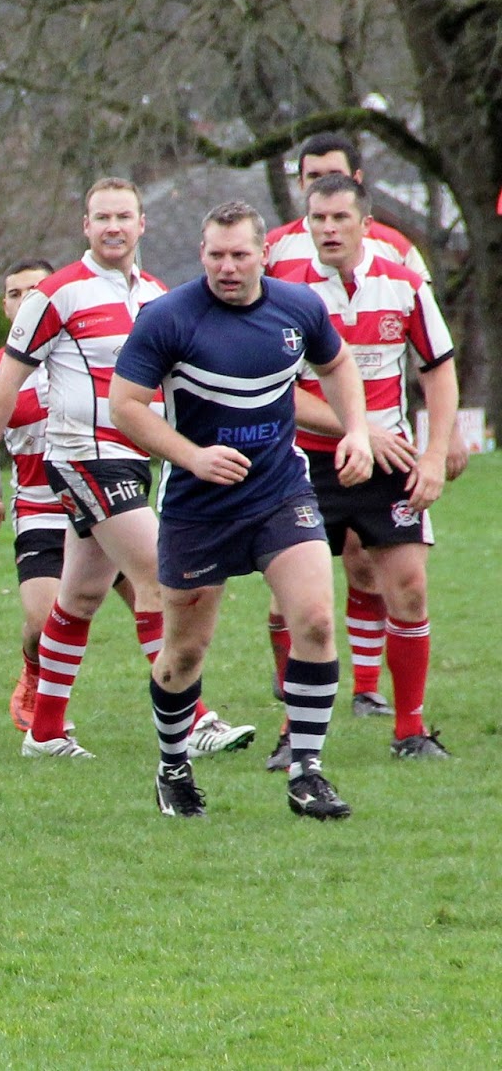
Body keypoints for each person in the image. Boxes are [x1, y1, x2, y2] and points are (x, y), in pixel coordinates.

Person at [0, 177, 252, 759]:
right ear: (86, 227)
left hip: (136, 463)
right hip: (84, 458)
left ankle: (44, 734)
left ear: (142, 225)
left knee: (82, 597)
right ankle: (190, 720)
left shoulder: (157, 295)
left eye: (124, 217)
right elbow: (3, 384)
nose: (113, 227)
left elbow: (180, 385)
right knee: (161, 578)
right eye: (102, 218)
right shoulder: (58, 293)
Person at [110, 200, 373, 819]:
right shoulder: (167, 318)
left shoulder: (299, 307)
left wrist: (355, 430)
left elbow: (337, 366)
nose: (228, 268)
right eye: (216, 255)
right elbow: (125, 405)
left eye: (240, 255)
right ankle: (174, 767)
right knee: (184, 655)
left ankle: (307, 771)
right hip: (198, 509)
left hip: (281, 492)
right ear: (201, 254)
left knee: (313, 620)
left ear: (263, 254)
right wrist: (193, 457)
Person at [262, 132, 468, 718]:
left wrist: (431, 453)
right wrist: (358, 428)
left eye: (339, 217)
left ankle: (409, 728)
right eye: (317, 217)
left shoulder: (402, 276)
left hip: (389, 457)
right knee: (297, 604)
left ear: (365, 220)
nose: (328, 228)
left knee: (405, 586)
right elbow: (275, 389)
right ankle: (291, 729)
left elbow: (439, 369)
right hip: (302, 460)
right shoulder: (284, 286)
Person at [0, 258, 145, 738]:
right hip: (41, 504)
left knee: (156, 597)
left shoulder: (89, 352)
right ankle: (33, 670)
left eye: (35, 290)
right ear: (4, 307)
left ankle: (193, 712)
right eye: (15, 293)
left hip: (105, 495)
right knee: (43, 619)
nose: (25, 300)